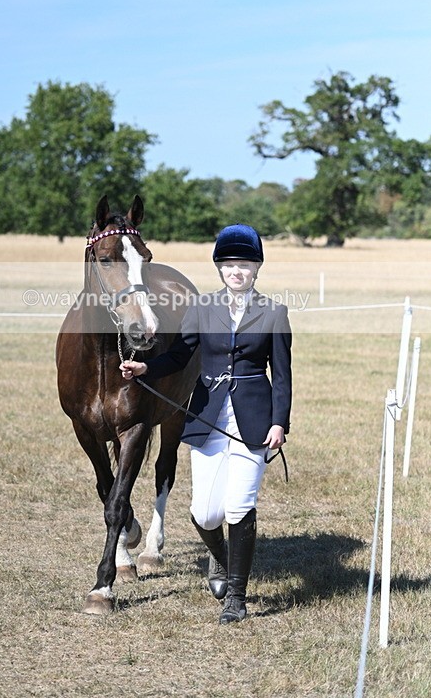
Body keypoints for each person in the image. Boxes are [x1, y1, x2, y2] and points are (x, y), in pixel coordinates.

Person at [120, 224, 292, 624]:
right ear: (219, 268)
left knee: (238, 506)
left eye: (244, 264)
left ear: (257, 268)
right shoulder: (202, 308)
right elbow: (180, 355)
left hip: (254, 418)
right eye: (229, 264)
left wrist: (280, 423)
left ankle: (236, 596)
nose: (237, 271)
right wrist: (147, 366)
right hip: (208, 415)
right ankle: (218, 556)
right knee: (205, 513)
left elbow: (282, 375)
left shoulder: (274, 313)